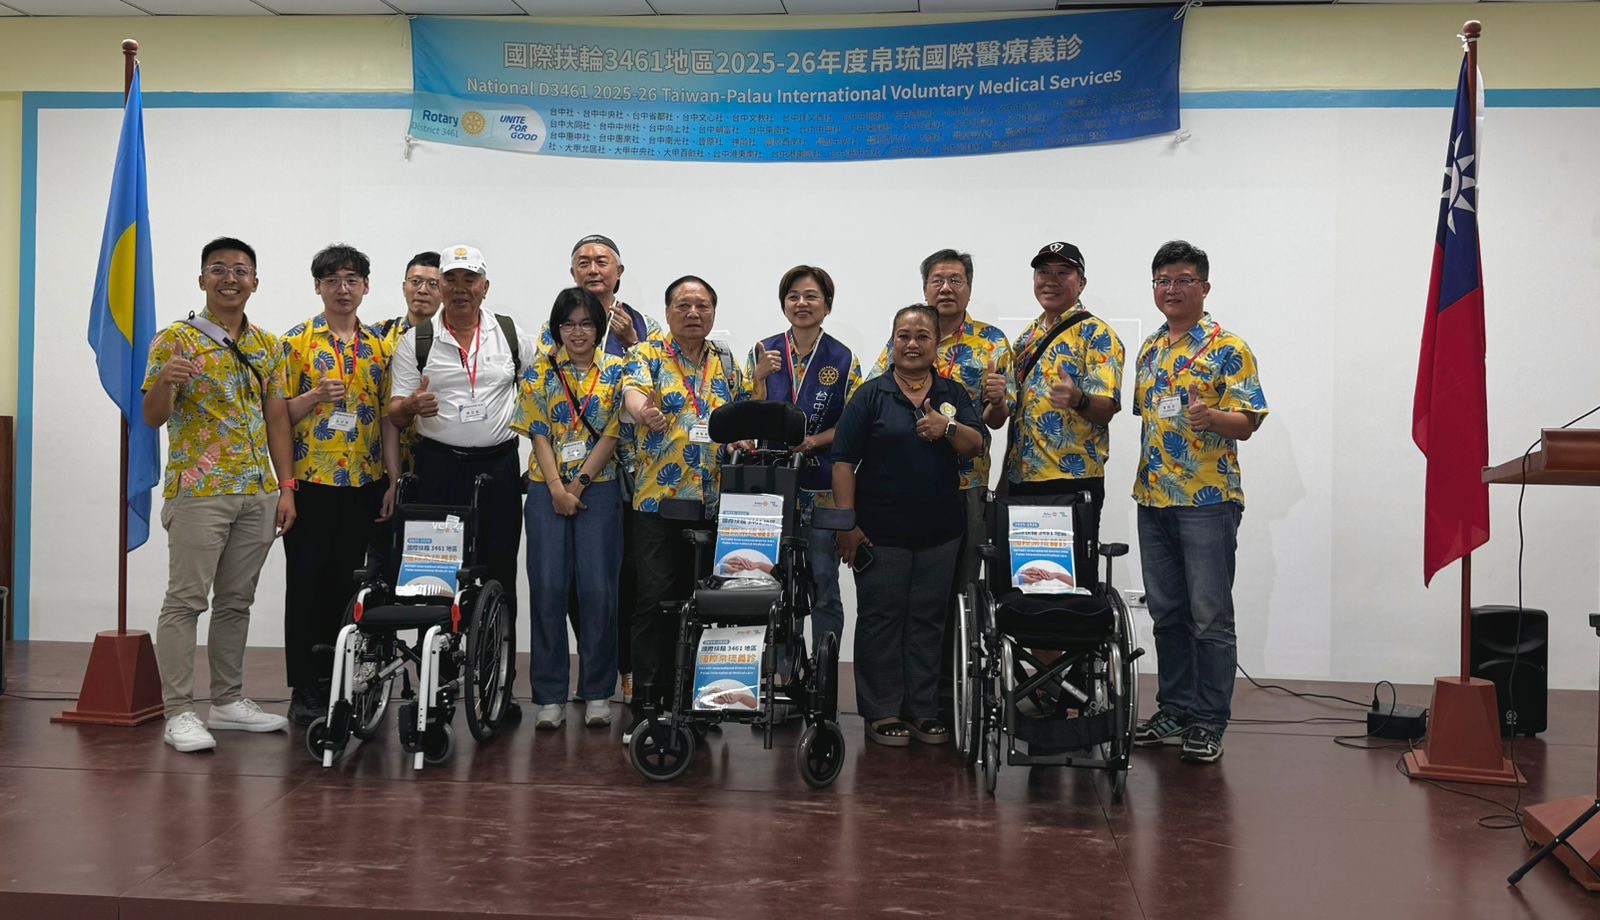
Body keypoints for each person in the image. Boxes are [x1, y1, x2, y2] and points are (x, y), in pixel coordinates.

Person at [140, 236, 294, 752]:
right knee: (185, 601)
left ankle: (227, 701)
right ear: (202, 279)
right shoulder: (176, 339)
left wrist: (286, 488)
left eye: (241, 270)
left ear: (255, 281)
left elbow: (277, 420)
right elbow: (152, 417)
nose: (231, 278)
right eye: (219, 269)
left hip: (258, 492)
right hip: (200, 491)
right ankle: (179, 712)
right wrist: (165, 380)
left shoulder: (268, 346)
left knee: (236, 601)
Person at [1131, 240, 1269, 765]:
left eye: (1184, 279)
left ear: (1204, 288)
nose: (1172, 289)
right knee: (1167, 613)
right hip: (1153, 498)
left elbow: (1248, 422)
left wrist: (1212, 418)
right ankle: (1174, 709)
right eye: (1163, 280)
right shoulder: (1150, 349)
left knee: (1209, 616)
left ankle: (1209, 720)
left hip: (1207, 501)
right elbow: (1152, 419)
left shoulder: (1228, 347)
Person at [387, 244, 536, 720]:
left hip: (498, 468)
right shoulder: (416, 341)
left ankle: (497, 686)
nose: (459, 289)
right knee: (434, 578)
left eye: (469, 280)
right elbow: (394, 412)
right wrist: (412, 407)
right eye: (449, 280)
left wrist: (541, 462)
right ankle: (434, 688)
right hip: (438, 467)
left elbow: (546, 394)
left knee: (499, 576)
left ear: (484, 287)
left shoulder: (510, 335)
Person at [834, 304, 987, 747]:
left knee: (928, 619)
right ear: (893, 341)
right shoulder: (871, 395)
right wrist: (846, 523)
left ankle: (923, 709)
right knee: (881, 618)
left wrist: (948, 426)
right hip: (879, 532)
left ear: (937, 343)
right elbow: (842, 462)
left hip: (941, 532)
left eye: (922, 336)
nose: (912, 344)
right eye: (904, 335)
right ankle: (882, 710)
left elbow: (976, 444)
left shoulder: (952, 392)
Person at [619, 275, 750, 740]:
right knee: (654, 601)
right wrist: (644, 411)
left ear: (713, 311)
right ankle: (647, 704)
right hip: (659, 501)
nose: (693, 312)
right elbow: (632, 393)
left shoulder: (727, 361)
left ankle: (701, 703)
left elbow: (739, 413)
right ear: (668, 311)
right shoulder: (646, 354)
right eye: (683, 305)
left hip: (713, 503)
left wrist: (742, 437)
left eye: (702, 305)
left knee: (707, 604)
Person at [277, 244, 398, 726]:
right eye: (332, 281)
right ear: (318, 287)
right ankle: (305, 687)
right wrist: (312, 397)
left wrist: (392, 479)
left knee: (351, 587)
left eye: (351, 280)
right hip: (312, 482)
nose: (342, 289)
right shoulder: (295, 343)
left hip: (364, 483)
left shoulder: (380, 347)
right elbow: (278, 418)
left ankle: (344, 681)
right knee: (306, 586)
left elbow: (388, 419)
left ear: (366, 287)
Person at [541, 234, 662, 706]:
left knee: (624, 576)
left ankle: (627, 669)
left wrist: (633, 342)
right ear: (573, 271)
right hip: (572, 471)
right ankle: (595, 670)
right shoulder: (552, 328)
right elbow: (542, 395)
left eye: (602, 261)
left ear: (619, 271)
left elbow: (661, 380)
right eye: (584, 262)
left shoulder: (646, 325)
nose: (593, 269)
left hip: (634, 471)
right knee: (572, 582)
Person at [513, 287, 626, 730]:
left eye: (586, 324)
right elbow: (538, 433)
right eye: (568, 324)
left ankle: (597, 691)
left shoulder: (617, 370)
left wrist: (579, 484)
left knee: (599, 591)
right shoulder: (540, 372)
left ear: (598, 328)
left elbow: (613, 434)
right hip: (547, 491)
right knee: (548, 589)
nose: (577, 333)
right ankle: (549, 696)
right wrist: (558, 489)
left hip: (599, 490)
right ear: (556, 329)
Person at [745, 265, 862, 652]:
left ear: (827, 305)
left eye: (811, 296)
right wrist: (758, 379)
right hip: (771, 487)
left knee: (824, 582)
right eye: (793, 296)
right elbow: (745, 416)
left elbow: (852, 424)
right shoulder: (762, 351)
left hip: (821, 486)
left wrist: (813, 442)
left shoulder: (843, 358)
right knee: (772, 582)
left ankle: (824, 675)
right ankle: (781, 672)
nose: (801, 303)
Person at [1004, 242, 1125, 544]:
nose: (1051, 281)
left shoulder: (1097, 334)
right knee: (1026, 572)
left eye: (1063, 273)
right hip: (1022, 478)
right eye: (1044, 272)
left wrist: (1078, 399)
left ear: (1081, 283)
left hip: (1071, 480)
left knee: (1073, 572)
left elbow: (1106, 410)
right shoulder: (1027, 337)